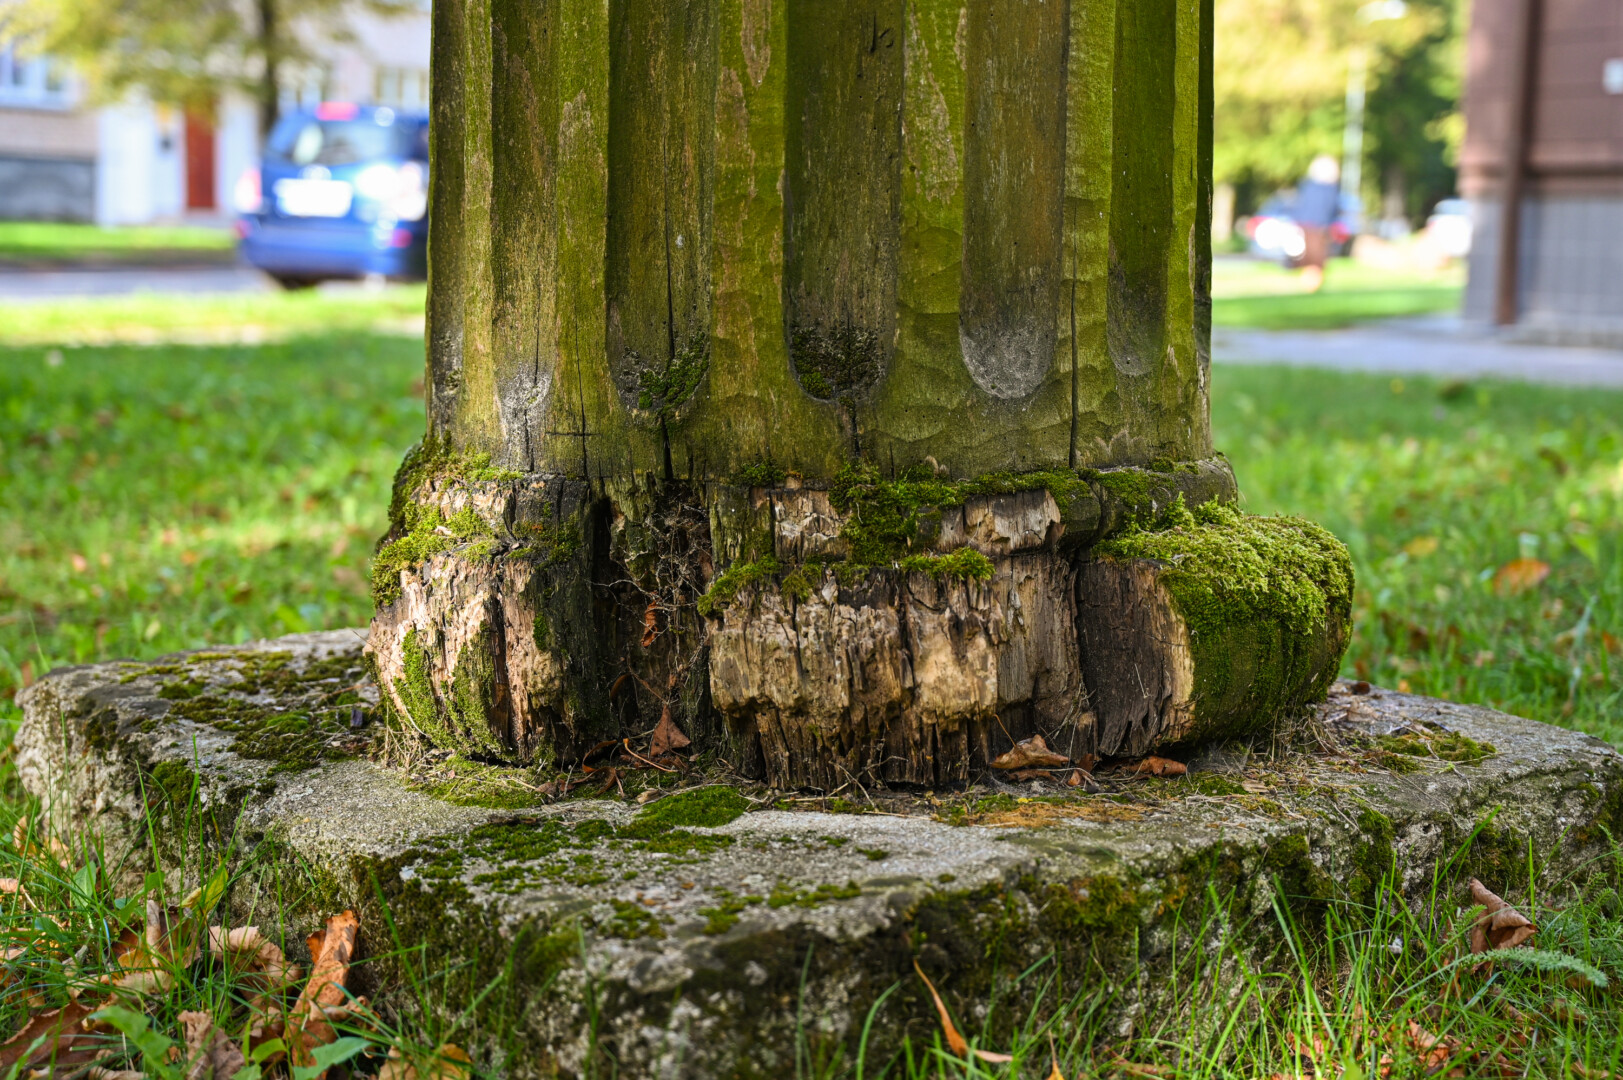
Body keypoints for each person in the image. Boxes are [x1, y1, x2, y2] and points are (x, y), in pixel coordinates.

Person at [1294, 155, 1342, 292]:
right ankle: (1311, 287)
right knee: (1316, 261)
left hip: (1303, 226)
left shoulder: (1306, 187)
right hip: (1317, 228)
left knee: (1310, 261)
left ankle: (1309, 286)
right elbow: (1330, 210)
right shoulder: (1329, 190)